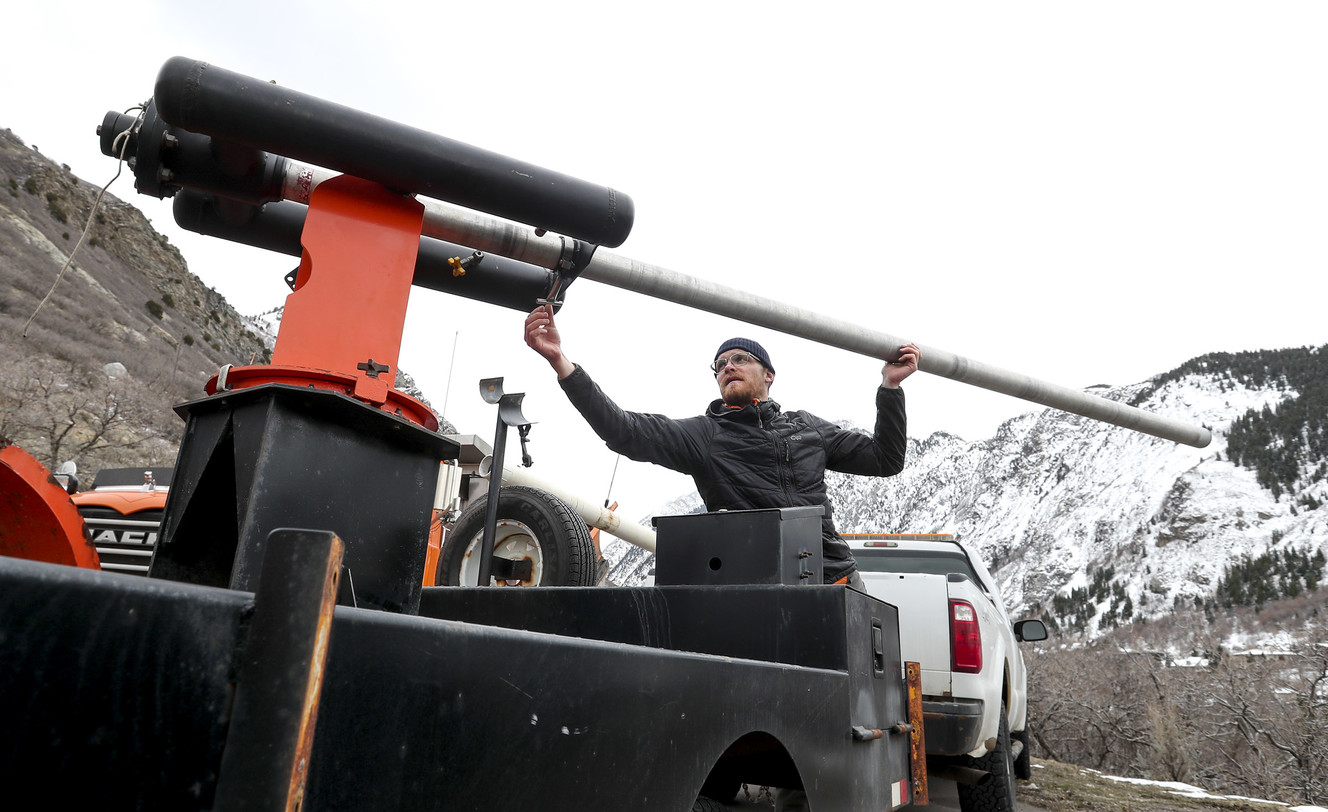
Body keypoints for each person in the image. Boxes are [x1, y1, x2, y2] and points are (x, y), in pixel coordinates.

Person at [523, 304, 920, 588]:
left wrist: (890, 388)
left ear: (769, 375)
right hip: (759, 587)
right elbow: (623, 429)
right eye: (720, 364)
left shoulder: (807, 427)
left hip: (839, 580)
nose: (728, 366)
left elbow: (886, 459)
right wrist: (562, 364)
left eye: (740, 359)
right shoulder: (706, 435)